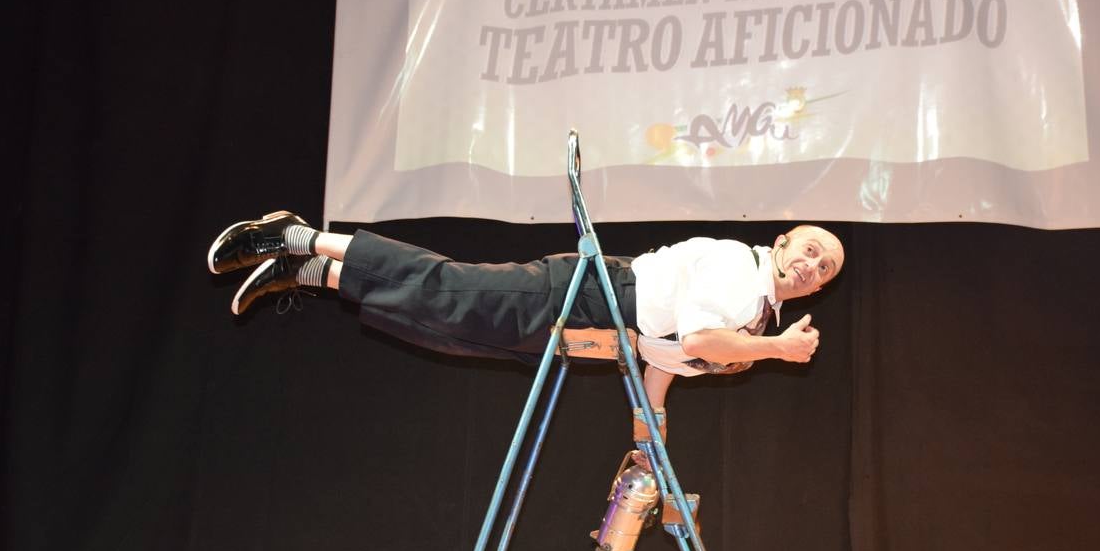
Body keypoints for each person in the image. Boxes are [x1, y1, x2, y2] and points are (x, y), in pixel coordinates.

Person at [207, 212, 844, 408]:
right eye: (811, 249)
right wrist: (777, 350)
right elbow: (704, 339)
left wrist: (652, 427)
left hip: (592, 328)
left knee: (444, 327)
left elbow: (668, 353)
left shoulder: (758, 313)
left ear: (817, 289)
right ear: (784, 241)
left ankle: (312, 272)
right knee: (446, 287)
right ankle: (299, 236)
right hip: (583, 292)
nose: (813, 265)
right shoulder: (741, 268)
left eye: (825, 269)